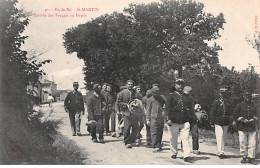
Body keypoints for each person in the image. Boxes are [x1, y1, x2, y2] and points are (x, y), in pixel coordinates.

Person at [165, 79, 194, 163]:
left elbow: (191, 109)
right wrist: (168, 119)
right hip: (173, 121)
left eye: (182, 84)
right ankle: (174, 152)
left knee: (185, 138)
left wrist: (191, 119)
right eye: (179, 84)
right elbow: (167, 108)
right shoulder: (171, 96)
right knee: (173, 138)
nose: (180, 86)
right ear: (175, 85)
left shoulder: (187, 96)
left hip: (184, 121)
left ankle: (186, 155)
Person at [209, 87, 236, 159]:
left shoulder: (228, 102)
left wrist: (232, 120)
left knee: (224, 137)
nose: (223, 95)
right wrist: (212, 121)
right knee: (219, 136)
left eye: (224, 93)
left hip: (226, 122)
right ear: (219, 94)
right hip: (218, 121)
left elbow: (230, 113)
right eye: (222, 93)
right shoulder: (216, 102)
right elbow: (213, 112)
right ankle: (219, 151)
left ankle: (222, 151)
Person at [115, 80, 141, 148]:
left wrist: (137, 104)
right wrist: (126, 105)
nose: (130, 85)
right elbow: (118, 102)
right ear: (126, 85)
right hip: (126, 113)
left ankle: (132, 140)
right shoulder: (122, 93)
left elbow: (141, 100)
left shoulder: (136, 93)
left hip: (135, 113)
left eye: (131, 84)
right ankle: (127, 142)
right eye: (129, 84)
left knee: (135, 128)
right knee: (127, 128)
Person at [233, 92, 258, 164]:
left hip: (251, 126)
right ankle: (244, 156)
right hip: (242, 127)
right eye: (246, 96)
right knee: (242, 142)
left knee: (252, 142)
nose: (248, 98)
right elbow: (235, 115)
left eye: (249, 96)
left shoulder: (254, 105)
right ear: (243, 96)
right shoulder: (239, 105)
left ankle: (251, 157)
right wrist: (242, 119)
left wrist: (254, 119)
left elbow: (257, 114)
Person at [146, 87, 166, 152]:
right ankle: (155, 145)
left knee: (160, 131)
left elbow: (167, 105)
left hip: (161, 117)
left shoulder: (162, 98)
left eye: (157, 93)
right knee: (154, 132)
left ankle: (159, 144)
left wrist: (164, 111)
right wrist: (148, 119)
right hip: (153, 117)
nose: (155, 94)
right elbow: (148, 110)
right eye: (154, 93)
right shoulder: (150, 100)